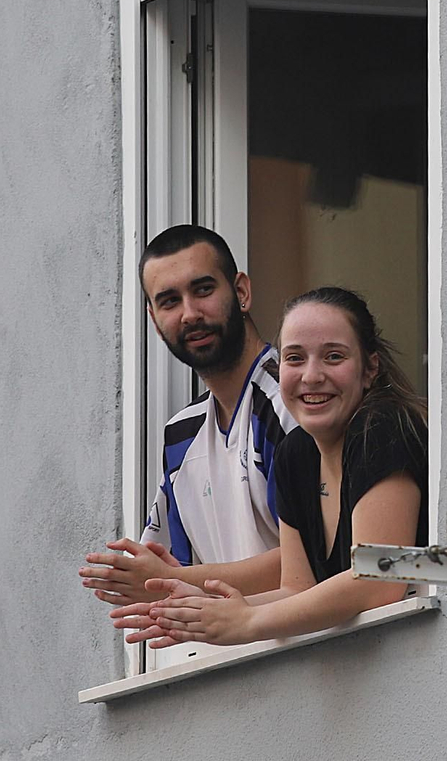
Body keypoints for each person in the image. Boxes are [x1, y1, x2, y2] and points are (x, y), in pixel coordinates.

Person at [115, 287, 428, 645]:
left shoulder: (383, 428)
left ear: (370, 368)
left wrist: (248, 621)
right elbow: (295, 591)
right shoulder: (296, 454)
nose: (311, 375)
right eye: (295, 358)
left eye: (334, 357)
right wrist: (202, 613)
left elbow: (379, 580)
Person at [79, 225, 296, 632]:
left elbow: (321, 557)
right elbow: (167, 575)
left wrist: (173, 582)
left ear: (242, 292)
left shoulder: (293, 401)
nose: (190, 313)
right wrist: (162, 593)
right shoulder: (181, 433)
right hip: (234, 659)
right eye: (169, 301)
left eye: (203, 290)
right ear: (153, 318)